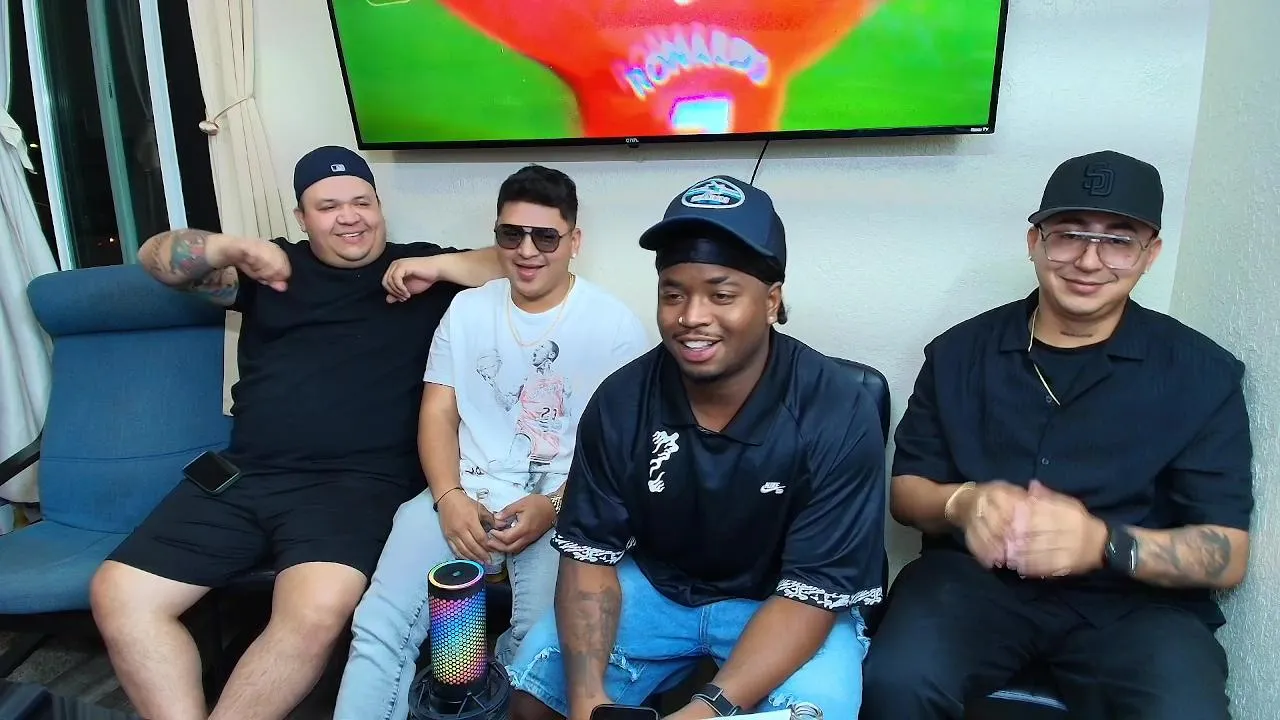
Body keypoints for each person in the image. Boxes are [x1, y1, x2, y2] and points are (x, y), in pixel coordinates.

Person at [89, 146, 504, 720]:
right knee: (119, 594)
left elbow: (521, 265)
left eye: (361, 202)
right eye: (328, 207)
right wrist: (228, 248)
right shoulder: (267, 271)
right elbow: (156, 259)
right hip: (244, 475)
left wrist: (439, 267)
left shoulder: (416, 270)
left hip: (357, 486)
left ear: (379, 207)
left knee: (312, 612)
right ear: (302, 218)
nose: (349, 216)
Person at [860, 150, 1253, 720]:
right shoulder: (958, 353)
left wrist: (1103, 543)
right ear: (1035, 242)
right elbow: (907, 492)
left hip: (1136, 607)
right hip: (972, 585)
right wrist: (963, 502)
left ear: (1150, 254)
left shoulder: (1202, 374)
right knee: (895, 681)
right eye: (1069, 235)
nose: (1089, 261)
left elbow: (1228, 553)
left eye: (1119, 241)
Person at [506, 175, 888, 720]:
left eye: (721, 294)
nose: (691, 316)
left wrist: (708, 707)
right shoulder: (621, 401)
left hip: (783, 601)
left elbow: (811, 592)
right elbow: (589, 558)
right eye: (673, 293)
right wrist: (590, 703)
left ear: (771, 301)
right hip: (656, 589)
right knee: (533, 697)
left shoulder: (837, 410)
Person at [333, 165, 649, 719]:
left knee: (538, 649)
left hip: (561, 504)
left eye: (545, 236)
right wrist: (448, 496)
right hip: (462, 492)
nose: (526, 251)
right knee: (379, 627)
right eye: (511, 234)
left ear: (574, 241)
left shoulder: (614, 326)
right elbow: (438, 412)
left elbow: (621, 452)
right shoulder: (467, 309)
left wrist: (555, 506)